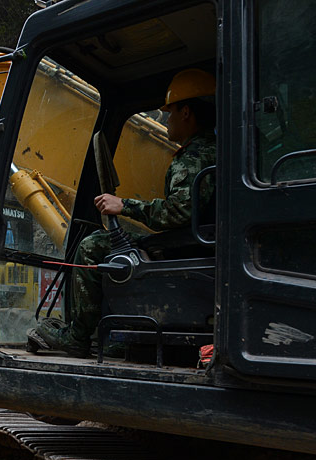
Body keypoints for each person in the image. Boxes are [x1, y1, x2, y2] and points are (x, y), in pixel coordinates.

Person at [30, 68, 217, 357]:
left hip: (187, 245)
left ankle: (78, 336)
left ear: (187, 112)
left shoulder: (194, 157)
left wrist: (124, 205)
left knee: (92, 245)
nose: (166, 119)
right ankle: (118, 332)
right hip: (199, 241)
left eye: (170, 112)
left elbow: (179, 212)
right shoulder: (215, 149)